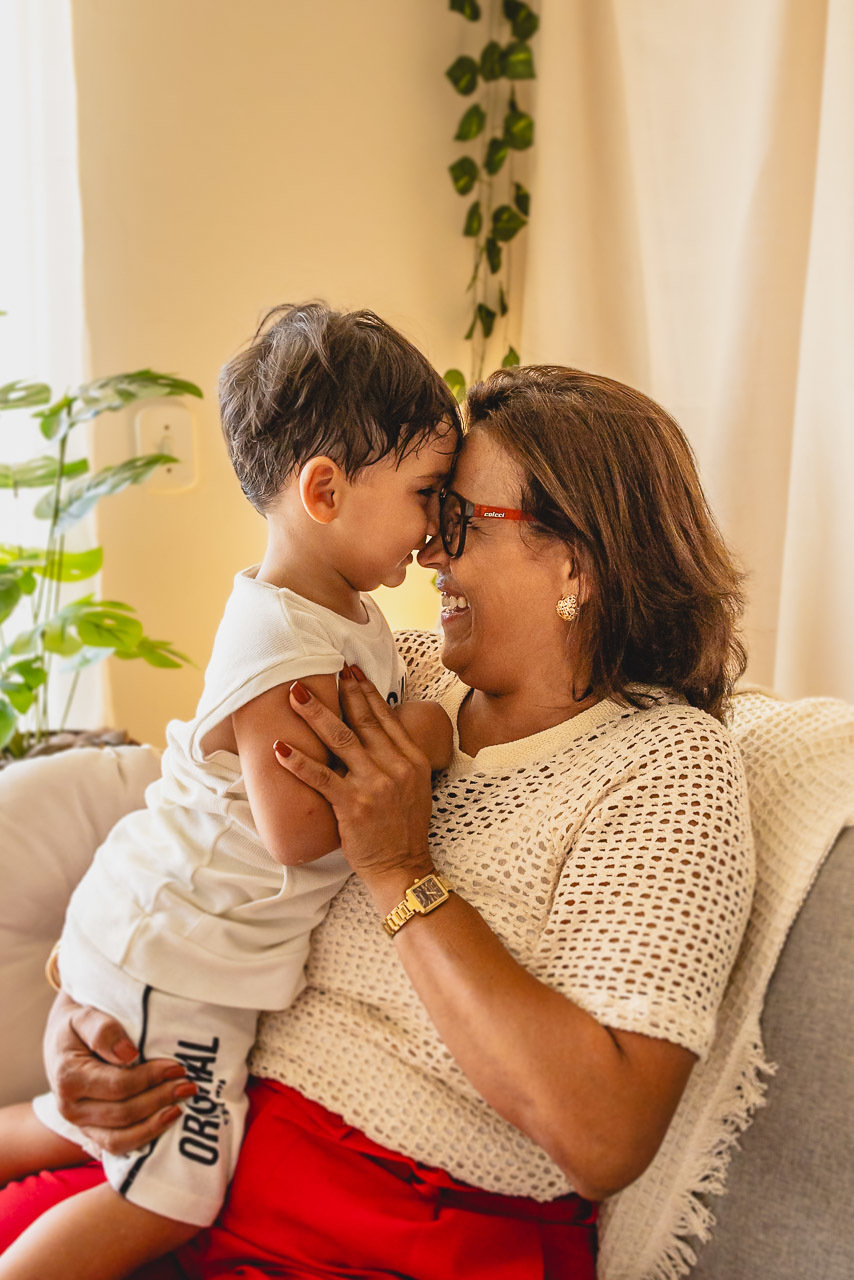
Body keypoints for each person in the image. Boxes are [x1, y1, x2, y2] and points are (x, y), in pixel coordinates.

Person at [0, 364, 756, 1280]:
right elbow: (190, 843)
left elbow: (603, 1137)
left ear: (578, 561)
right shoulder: (391, 671)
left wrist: (402, 869)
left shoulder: (665, 765)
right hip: (205, 1137)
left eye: (461, 519)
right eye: (430, 512)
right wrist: (80, 1023)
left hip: (385, 1235)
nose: (430, 552)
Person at [0, 303, 458, 1280]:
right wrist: (425, 736)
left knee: (95, 1125)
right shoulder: (288, 640)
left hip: (182, 938)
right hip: (182, 945)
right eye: (425, 493)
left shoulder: (343, 612)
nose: (433, 532)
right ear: (324, 490)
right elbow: (297, 831)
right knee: (174, 1188)